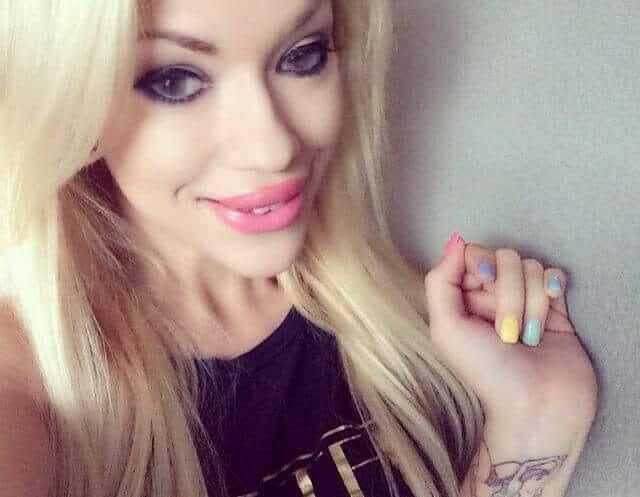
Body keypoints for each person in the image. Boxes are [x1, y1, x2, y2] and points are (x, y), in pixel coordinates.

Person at [0, 1, 597, 496]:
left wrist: (535, 422)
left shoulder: (407, 323)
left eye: (302, 55)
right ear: (71, 102)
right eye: (174, 80)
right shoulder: (25, 385)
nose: (274, 147)